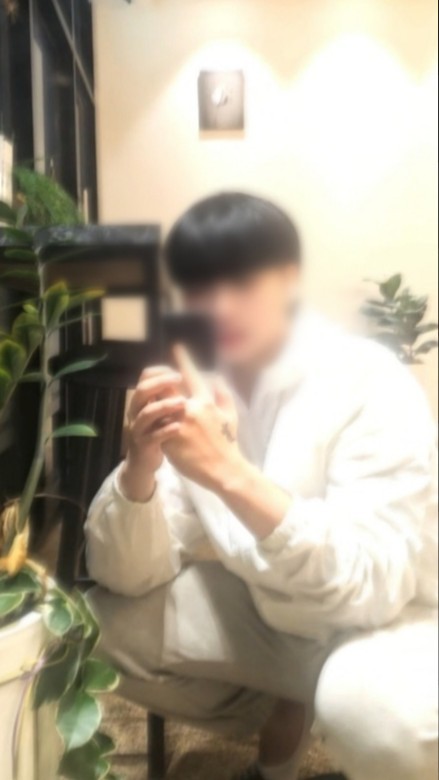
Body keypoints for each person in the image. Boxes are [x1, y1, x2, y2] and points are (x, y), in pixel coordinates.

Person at [85, 193, 438, 780]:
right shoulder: (203, 391)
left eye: (243, 282)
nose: (219, 306)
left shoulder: (368, 380)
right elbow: (128, 575)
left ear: (289, 279)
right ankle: (286, 705)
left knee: (374, 721)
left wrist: (228, 471)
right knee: (93, 627)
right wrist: (139, 468)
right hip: (277, 620)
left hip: (391, 624)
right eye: (198, 287)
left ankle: (326, 706)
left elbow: (373, 584)